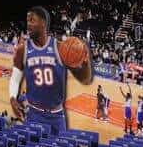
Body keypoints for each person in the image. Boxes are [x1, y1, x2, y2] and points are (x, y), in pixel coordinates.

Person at [9, 7, 92, 135]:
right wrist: (13, 98)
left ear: (43, 23)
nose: (28, 24)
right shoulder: (22, 50)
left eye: (32, 20)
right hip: (33, 114)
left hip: (56, 117)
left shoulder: (61, 48)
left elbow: (85, 79)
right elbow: (15, 79)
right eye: (28, 20)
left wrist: (85, 62)